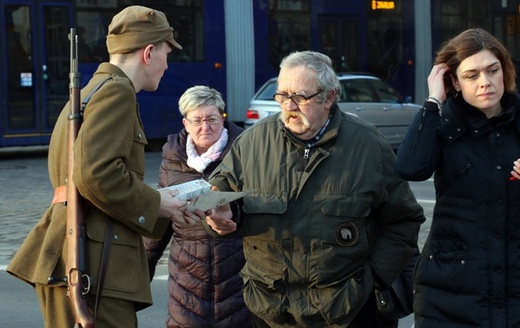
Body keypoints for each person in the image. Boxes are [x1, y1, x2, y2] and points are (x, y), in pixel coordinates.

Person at [194, 50, 425, 327]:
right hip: (270, 312)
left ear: (329, 97)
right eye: (282, 95)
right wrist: (220, 217)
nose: (288, 106)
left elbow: (403, 221)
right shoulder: (251, 143)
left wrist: (371, 280)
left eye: (300, 97)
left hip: (349, 311)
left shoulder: (369, 146)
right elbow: (221, 196)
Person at [7, 5, 186, 328]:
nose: (166, 65)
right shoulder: (117, 92)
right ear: (148, 53)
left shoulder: (92, 90)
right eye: (166, 54)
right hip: (95, 260)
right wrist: (157, 203)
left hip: (81, 253)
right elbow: (95, 174)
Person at [394, 28, 520, 327]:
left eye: (493, 70)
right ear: (453, 81)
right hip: (450, 290)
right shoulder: (442, 123)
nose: (485, 83)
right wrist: (432, 101)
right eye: (471, 75)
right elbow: (410, 168)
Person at [143, 85, 251, 327]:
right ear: (185, 123)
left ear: (222, 118)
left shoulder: (247, 150)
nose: (205, 127)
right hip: (187, 278)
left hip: (238, 271)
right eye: (197, 120)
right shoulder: (172, 159)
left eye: (212, 119)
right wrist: (139, 274)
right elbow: (159, 223)